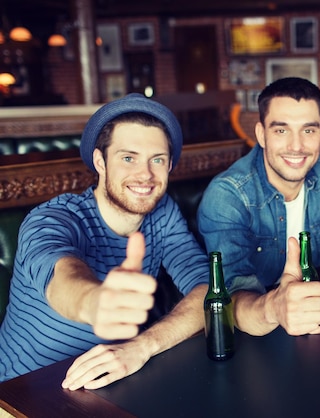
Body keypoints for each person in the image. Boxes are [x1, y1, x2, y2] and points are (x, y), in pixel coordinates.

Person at [0, 93, 210, 391]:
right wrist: (93, 302)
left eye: (157, 160)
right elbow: (63, 274)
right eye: (128, 158)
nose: (145, 175)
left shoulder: (163, 213)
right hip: (21, 392)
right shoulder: (53, 218)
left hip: (106, 386)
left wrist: (142, 346)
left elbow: (207, 287)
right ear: (100, 161)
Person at [197, 77, 320, 337]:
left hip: (317, 329)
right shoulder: (228, 195)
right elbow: (231, 297)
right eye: (281, 130)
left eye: (308, 130)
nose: (296, 146)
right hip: (248, 340)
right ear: (261, 134)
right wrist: (276, 308)